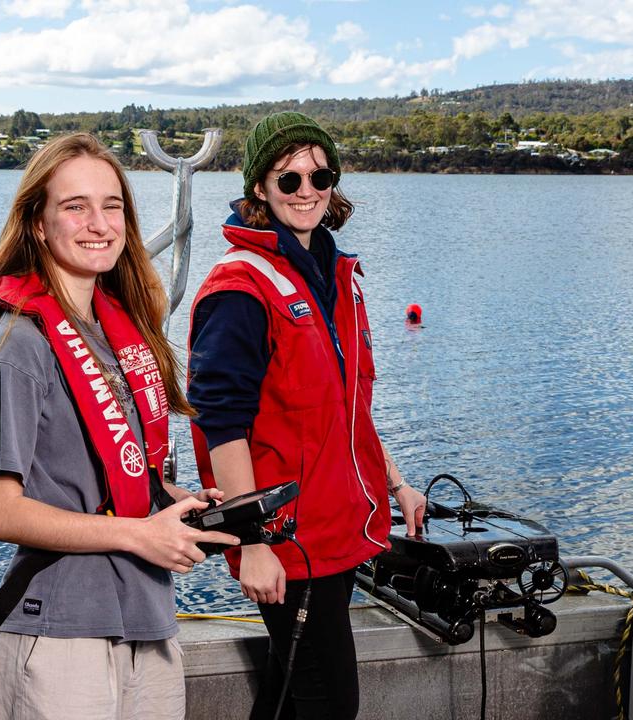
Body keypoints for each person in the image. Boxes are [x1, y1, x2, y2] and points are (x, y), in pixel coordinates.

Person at [0, 132, 239, 720]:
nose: (99, 223)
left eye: (112, 205)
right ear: (38, 224)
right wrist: (139, 535)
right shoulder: (17, 348)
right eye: (75, 206)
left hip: (147, 619)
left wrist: (175, 504)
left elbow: (117, 474)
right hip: (60, 632)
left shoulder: (124, 336)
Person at [187, 111, 427, 720]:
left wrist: (396, 483)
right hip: (287, 541)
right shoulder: (241, 287)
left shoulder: (337, 275)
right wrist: (254, 541)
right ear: (260, 190)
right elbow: (223, 426)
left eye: (319, 176)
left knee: (291, 694)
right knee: (329, 706)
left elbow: (350, 410)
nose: (306, 191)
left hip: (338, 532)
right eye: (287, 178)